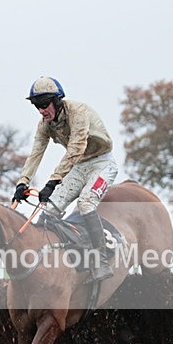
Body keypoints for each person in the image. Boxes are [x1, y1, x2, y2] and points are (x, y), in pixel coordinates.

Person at [13, 76, 118, 282]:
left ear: (57, 100)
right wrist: (22, 182)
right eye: (37, 106)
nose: (42, 111)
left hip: (101, 164)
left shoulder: (78, 112)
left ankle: (100, 260)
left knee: (86, 204)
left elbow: (75, 149)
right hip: (78, 167)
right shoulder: (44, 124)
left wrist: (52, 182)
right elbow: (36, 153)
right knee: (49, 208)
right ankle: (48, 259)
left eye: (44, 105)